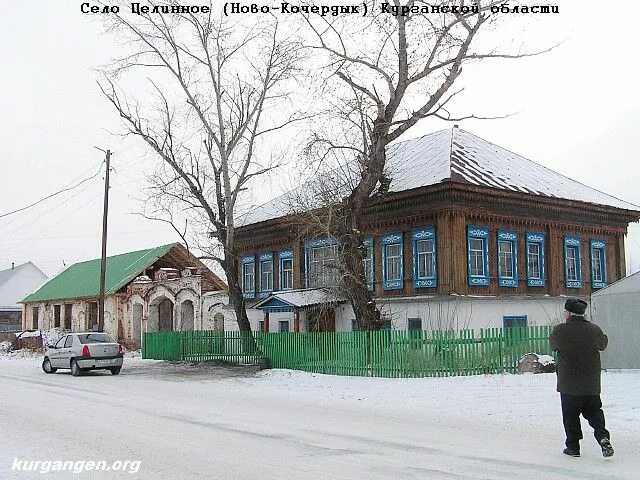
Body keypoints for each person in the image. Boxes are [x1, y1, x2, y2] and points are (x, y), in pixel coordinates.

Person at [549, 298, 614, 458]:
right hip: (591, 384)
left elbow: (553, 345)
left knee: (570, 416)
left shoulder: (560, 330)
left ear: (569, 313)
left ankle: (573, 447)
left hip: (569, 384)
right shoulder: (594, 329)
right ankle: (603, 437)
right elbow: (603, 344)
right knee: (594, 412)